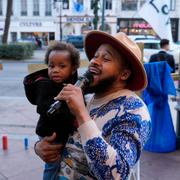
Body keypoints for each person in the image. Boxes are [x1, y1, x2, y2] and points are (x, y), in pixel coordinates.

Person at [34, 31, 151, 179]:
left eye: (106, 58)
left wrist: (81, 114)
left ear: (124, 74)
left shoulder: (133, 111)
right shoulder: (86, 96)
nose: (94, 61)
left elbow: (116, 174)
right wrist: (40, 147)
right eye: (95, 56)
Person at [23, 41, 80, 180]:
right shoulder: (45, 85)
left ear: (73, 69)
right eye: (51, 65)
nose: (55, 70)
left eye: (62, 66)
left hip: (60, 133)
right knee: (52, 165)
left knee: (62, 164)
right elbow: (44, 107)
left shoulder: (72, 84)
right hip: (49, 134)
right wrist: (72, 116)